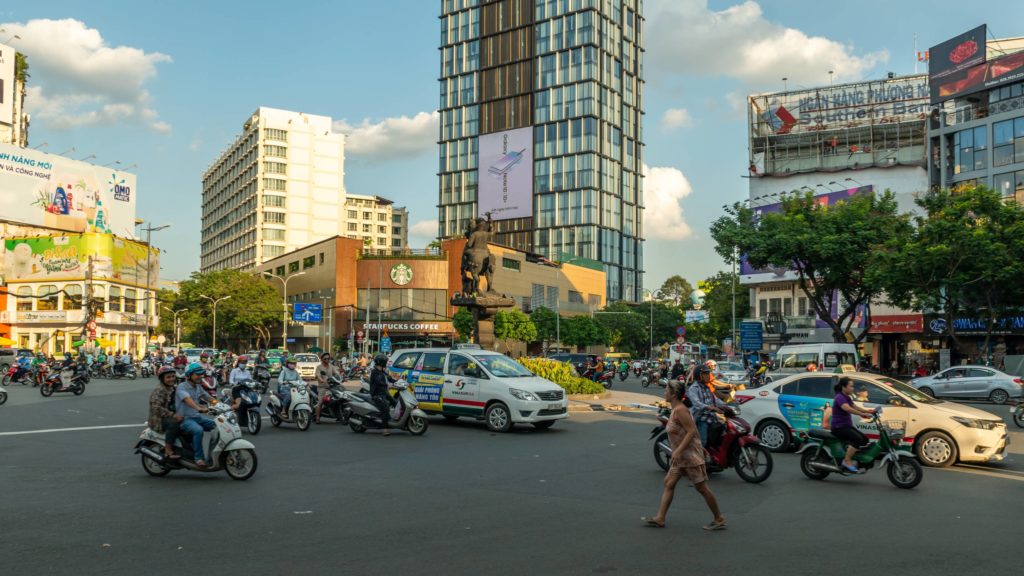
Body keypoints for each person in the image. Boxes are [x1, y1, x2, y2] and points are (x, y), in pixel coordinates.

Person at [641, 380, 726, 531]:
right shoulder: (675, 409)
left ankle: (719, 518)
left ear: (673, 394)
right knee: (669, 483)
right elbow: (693, 430)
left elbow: (692, 430)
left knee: (701, 488)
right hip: (680, 457)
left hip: (688, 455)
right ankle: (660, 518)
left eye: (666, 390)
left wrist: (680, 449)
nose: (664, 392)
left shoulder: (680, 410)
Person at [831, 376, 876, 473]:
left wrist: (868, 411)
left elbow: (854, 406)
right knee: (857, 439)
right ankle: (846, 460)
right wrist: (862, 414)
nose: (853, 388)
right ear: (844, 387)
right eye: (851, 386)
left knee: (865, 439)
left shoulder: (846, 397)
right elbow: (847, 408)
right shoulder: (839, 397)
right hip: (839, 427)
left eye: (853, 386)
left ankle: (854, 456)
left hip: (846, 426)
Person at [175, 363, 216, 467]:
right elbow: (188, 400)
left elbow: (209, 398)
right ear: (189, 375)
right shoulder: (182, 387)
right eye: (197, 374)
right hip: (185, 419)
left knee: (217, 426)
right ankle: (198, 458)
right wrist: (199, 408)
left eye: (201, 374)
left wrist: (220, 405)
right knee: (198, 430)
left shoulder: (198, 387)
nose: (200, 376)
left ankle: (213, 455)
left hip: (197, 417)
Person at [687, 365, 727, 448]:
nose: (708, 375)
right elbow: (697, 403)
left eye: (708, 373)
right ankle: (698, 458)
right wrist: (710, 407)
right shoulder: (694, 388)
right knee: (703, 441)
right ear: (699, 375)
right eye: (705, 373)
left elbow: (715, 400)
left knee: (722, 434)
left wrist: (727, 405)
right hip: (701, 418)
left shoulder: (707, 388)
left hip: (711, 417)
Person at [149, 366, 183, 460]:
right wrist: (173, 415)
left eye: (173, 376)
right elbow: (156, 408)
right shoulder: (159, 390)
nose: (171, 379)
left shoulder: (173, 388)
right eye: (168, 377)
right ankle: (168, 450)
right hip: (159, 419)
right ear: (162, 379)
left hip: (170, 415)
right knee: (174, 423)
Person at [368, 353, 397, 436]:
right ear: (382, 362)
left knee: (395, 402)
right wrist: (388, 385)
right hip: (377, 394)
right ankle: (385, 429)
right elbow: (379, 382)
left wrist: (398, 382)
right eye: (385, 362)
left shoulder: (382, 371)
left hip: (384, 393)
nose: (386, 363)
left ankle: (395, 420)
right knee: (385, 408)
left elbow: (390, 378)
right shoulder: (374, 372)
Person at [315, 353, 342, 423]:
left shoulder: (331, 366)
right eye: (325, 359)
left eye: (328, 358)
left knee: (340, 398)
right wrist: (321, 379)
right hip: (323, 387)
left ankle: (339, 415)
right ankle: (317, 418)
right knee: (320, 402)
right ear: (322, 359)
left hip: (332, 386)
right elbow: (318, 375)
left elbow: (336, 373)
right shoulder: (319, 367)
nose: (327, 360)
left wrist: (340, 376)